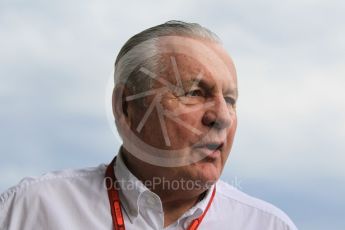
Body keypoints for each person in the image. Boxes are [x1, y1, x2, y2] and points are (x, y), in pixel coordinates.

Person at [0, 21, 297, 230]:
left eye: (230, 99)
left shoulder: (269, 225)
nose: (222, 116)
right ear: (127, 108)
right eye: (194, 93)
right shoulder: (29, 209)